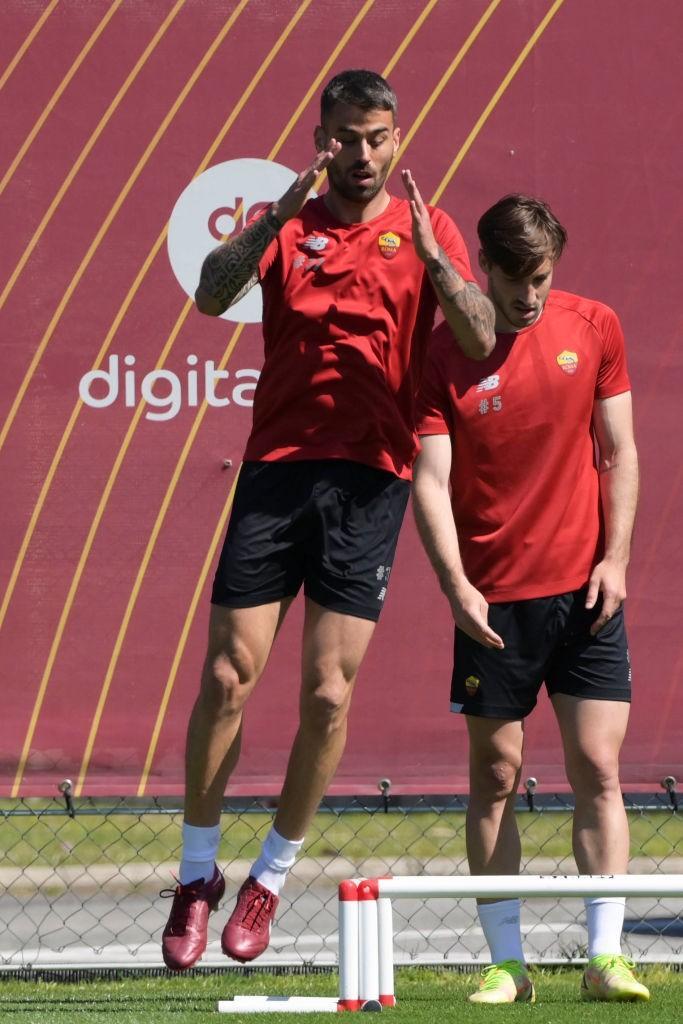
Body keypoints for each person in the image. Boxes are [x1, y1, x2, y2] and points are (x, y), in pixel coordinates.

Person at [160, 69, 495, 971]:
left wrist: (432, 256)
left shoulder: (429, 230)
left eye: (377, 136)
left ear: (396, 137)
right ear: (322, 137)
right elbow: (208, 292)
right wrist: (272, 217)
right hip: (276, 475)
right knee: (229, 677)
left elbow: (475, 334)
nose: (361, 153)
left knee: (326, 696)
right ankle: (198, 875)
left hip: (370, 485)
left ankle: (270, 874)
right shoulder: (290, 223)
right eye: (345, 136)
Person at [413, 193, 649, 1004]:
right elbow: (432, 482)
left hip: (586, 594)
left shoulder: (595, 327)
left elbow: (618, 453)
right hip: (494, 606)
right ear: (483, 267)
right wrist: (455, 588)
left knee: (597, 767)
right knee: (495, 774)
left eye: (540, 278)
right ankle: (505, 964)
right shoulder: (444, 357)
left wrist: (614, 560)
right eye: (514, 280)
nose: (528, 296)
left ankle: (605, 958)